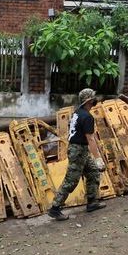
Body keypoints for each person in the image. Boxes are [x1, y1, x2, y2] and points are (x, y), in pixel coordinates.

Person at [48, 88, 107, 221]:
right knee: (71, 181)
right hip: (78, 150)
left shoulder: (78, 113)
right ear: (88, 101)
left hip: (79, 149)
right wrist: (98, 158)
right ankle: (55, 208)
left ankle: (92, 202)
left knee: (93, 172)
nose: (95, 100)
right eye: (93, 98)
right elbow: (90, 138)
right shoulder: (87, 117)